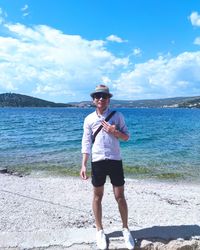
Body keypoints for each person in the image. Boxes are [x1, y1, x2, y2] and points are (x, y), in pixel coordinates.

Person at [80, 84, 135, 250]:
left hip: (115, 160)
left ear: (109, 99)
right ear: (93, 99)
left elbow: (126, 137)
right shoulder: (89, 119)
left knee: (120, 196)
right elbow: (86, 142)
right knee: (97, 196)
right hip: (97, 161)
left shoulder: (117, 116)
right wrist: (83, 164)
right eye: (98, 96)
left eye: (104, 96)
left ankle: (125, 228)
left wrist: (114, 131)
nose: (101, 99)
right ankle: (99, 230)